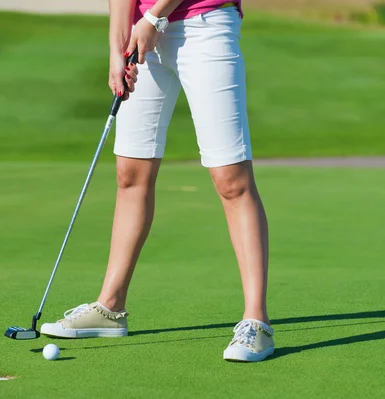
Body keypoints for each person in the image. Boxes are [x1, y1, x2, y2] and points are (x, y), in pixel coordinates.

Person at [40, 0, 274, 362]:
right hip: (143, 32)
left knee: (232, 179)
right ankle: (110, 307)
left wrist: (154, 16)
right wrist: (117, 50)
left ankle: (257, 322)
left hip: (204, 25)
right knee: (131, 173)